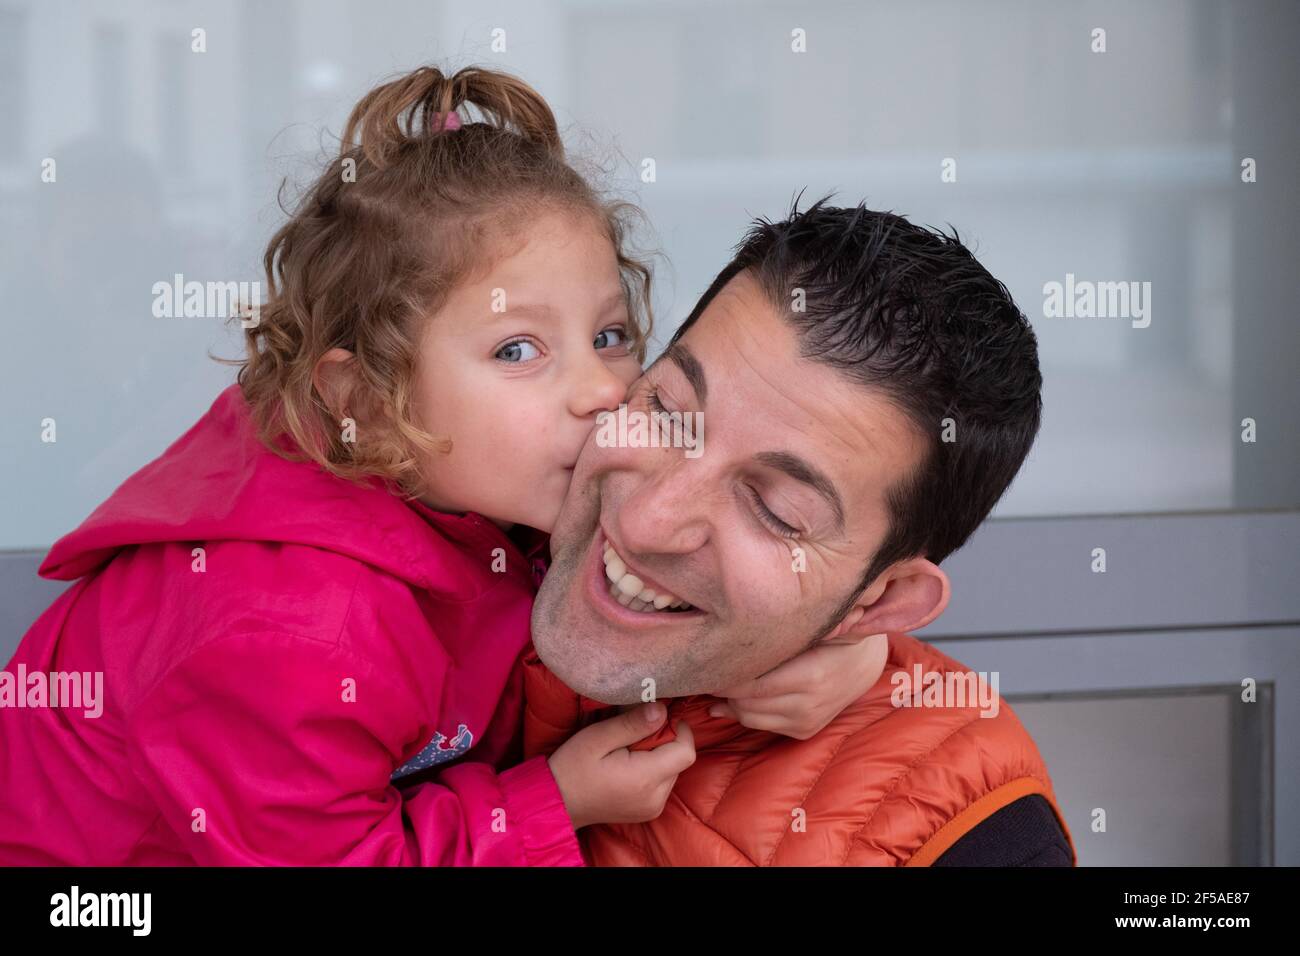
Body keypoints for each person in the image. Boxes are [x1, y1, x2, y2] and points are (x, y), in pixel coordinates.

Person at [0, 68, 886, 865]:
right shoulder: (290, 629)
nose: (599, 389)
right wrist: (551, 804)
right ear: (365, 398)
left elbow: (658, 608)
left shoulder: (475, 481)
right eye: (516, 350)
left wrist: (831, 652)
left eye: (609, 336)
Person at [527, 199, 1077, 866]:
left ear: (879, 603)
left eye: (775, 510)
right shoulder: (473, 498)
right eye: (668, 411)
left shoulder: (972, 841)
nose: (646, 523)